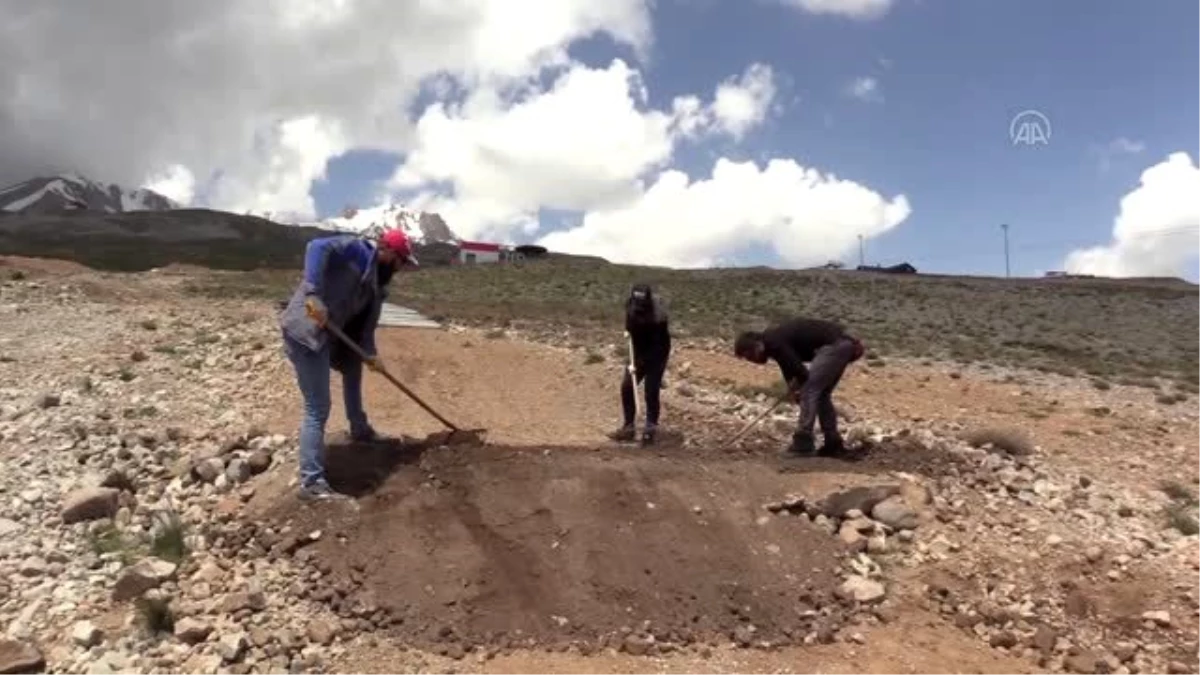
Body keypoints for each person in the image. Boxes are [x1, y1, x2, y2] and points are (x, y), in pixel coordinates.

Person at [278, 229, 418, 500]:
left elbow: (366, 330)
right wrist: (313, 293)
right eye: (400, 260)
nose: (401, 267)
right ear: (388, 251)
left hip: (331, 336)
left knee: (353, 368)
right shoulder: (355, 249)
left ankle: (360, 430)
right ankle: (312, 483)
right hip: (305, 331)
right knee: (317, 407)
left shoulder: (377, 286)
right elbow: (316, 246)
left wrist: (371, 355)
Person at [733, 317, 864, 457]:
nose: (752, 361)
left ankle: (803, 443)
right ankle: (833, 444)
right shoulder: (774, 342)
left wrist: (799, 391)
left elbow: (800, 371)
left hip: (836, 345)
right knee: (821, 394)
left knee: (810, 390)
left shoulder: (773, 341)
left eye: (749, 356)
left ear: (757, 345)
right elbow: (788, 366)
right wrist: (793, 388)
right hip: (844, 345)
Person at [608, 283, 671, 446]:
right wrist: (633, 359)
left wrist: (647, 362)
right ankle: (628, 427)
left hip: (658, 352)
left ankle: (650, 429)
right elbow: (629, 325)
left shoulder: (658, 314)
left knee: (651, 389)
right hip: (638, 350)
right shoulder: (630, 304)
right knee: (627, 386)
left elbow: (659, 342)